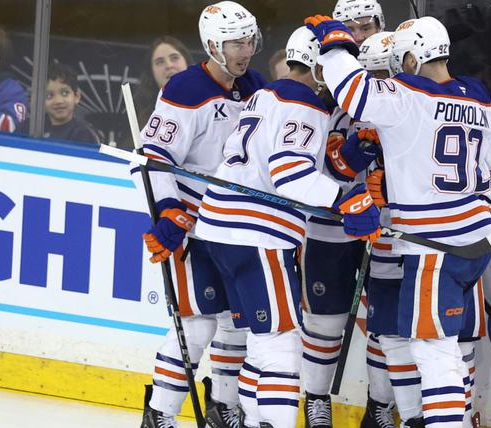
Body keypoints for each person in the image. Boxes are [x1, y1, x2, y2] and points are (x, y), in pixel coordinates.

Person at [307, 13, 491, 427]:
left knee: (433, 353)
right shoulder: (478, 95)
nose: (398, 70)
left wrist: (334, 44)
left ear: (414, 60)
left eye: (402, 62)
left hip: (435, 245)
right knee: (446, 347)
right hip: (476, 239)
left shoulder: (409, 94)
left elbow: (354, 92)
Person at [193, 26, 380, 428]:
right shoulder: (309, 105)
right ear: (316, 65)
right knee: (281, 346)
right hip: (256, 233)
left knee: (260, 345)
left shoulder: (264, 94)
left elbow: (279, 159)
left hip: (217, 227)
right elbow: (289, 173)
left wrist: (344, 157)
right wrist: (344, 198)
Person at [135, 2, 266, 428]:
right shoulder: (185, 89)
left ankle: (222, 406)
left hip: (236, 224)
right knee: (196, 326)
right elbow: (152, 159)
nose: (245, 50)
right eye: (235, 43)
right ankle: (160, 415)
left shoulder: (256, 87)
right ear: (213, 45)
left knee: (237, 323)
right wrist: (168, 211)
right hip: (194, 224)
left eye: (249, 40)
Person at [298, 2, 393, 427]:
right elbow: (319, 168)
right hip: (332, 222)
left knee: (386, 324)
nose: (357, 34)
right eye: (349, 28)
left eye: (366, 25)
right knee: (326, 317)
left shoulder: (404, 93)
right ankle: (315, 399)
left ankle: (380, 406)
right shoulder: (324, 100)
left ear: (381, 28)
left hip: (388, 225)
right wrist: (355, 152)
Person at [133, 36, 191, 135]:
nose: (169, 65)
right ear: (151, 72)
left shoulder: (210, 104)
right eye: (160, 62)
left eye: (174, 58)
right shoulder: (140, 119)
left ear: (187, 62)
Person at [41, 62, 100, 144]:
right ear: (40, 99)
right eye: (49, 95)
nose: (58, 101)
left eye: (65, 93)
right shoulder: (29, 127)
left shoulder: (84, 134)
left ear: (77, 96)